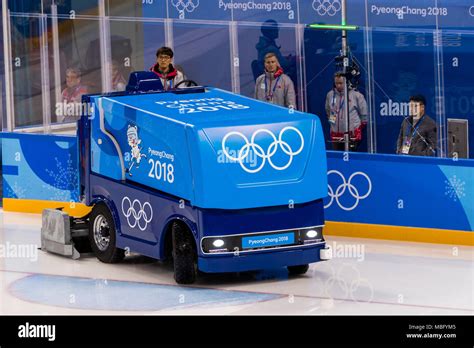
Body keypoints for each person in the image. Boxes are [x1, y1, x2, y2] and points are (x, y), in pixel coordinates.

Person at [325, 72, 368, 151]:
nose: (338, 85)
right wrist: (332, 123)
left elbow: (364, 112)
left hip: (352, 134)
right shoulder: (330, 95)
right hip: (336, 134)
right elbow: (328, 111)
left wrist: (358, 127)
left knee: (351, 157)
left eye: (341, 83)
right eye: (336, 83)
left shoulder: (356, 95)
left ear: (347, 82)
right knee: (338, 158)